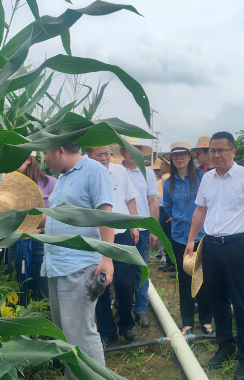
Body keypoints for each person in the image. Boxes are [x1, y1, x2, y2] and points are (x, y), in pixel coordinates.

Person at [184, 131, 244, 380]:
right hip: (211, 245)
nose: (216, 155)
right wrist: (191, 240)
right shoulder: (207, 178)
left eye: (221, 150)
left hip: (239, 244)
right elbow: (200, 210)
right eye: (212, 150)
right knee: (215, 297)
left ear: (233, 152)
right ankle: (225, 346)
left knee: (242, 300)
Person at [42, 143, 114, 379]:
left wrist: (107, 257)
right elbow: (55, 219)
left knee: (81, 334)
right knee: (65, 335)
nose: (45, 160)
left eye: (46, 153)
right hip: (57, 264)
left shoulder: (94, 170)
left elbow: (105, 214)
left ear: (60, 150)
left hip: (79, 265)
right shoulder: (62, 178)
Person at [87, 146, 140, 344]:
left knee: (126, 284)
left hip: (122, 236)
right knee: (100, 285)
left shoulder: (120, 171)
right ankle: (107, 331)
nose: (103, 158)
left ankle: (127, 325)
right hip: (97, 238)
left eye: (107, 154)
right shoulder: (87, 173)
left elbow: (130, 199)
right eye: (98, 154)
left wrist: (134, 225)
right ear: (88, 155)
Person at [163, 141, 213, 335]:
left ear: (190, 157)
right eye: (175, 155)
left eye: (183, 154)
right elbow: (168, 206)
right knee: (185, 278)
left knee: (202, 278)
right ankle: (187, 322)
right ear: (171, 159)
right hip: (179, 236)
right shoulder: (169, 182)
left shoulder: (203, 177)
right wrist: (179, 217)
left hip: (202, 236)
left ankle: (206, 320)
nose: (179, 158)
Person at [117, 137, 159, 327]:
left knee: (141, 271)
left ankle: (140, 309)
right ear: (122, 152)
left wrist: (153, 228)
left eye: (136, 149)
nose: (132, 152)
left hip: (142, 229)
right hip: (122, 229)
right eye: (128, 149)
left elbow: (152, 201)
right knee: (122, 273)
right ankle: (121, 307)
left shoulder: (147, 173)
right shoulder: (116, 170)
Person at [7, 152, 57, 304]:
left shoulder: (50, 182)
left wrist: (38, 230)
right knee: (16, 281)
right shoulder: (7, 184)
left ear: (29, 159)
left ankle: (44, 320)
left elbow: (59, 216)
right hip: (14, 241)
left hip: (42, 242)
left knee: (43, 284)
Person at [151, 157, 175, 273]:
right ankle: (169, 262)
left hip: (166, 210)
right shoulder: (165, 178)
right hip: (163, 208)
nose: (160, 167)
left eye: (163, 164)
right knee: (166, 236)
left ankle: (172, 263)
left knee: (168, 237)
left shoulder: (168, 178)